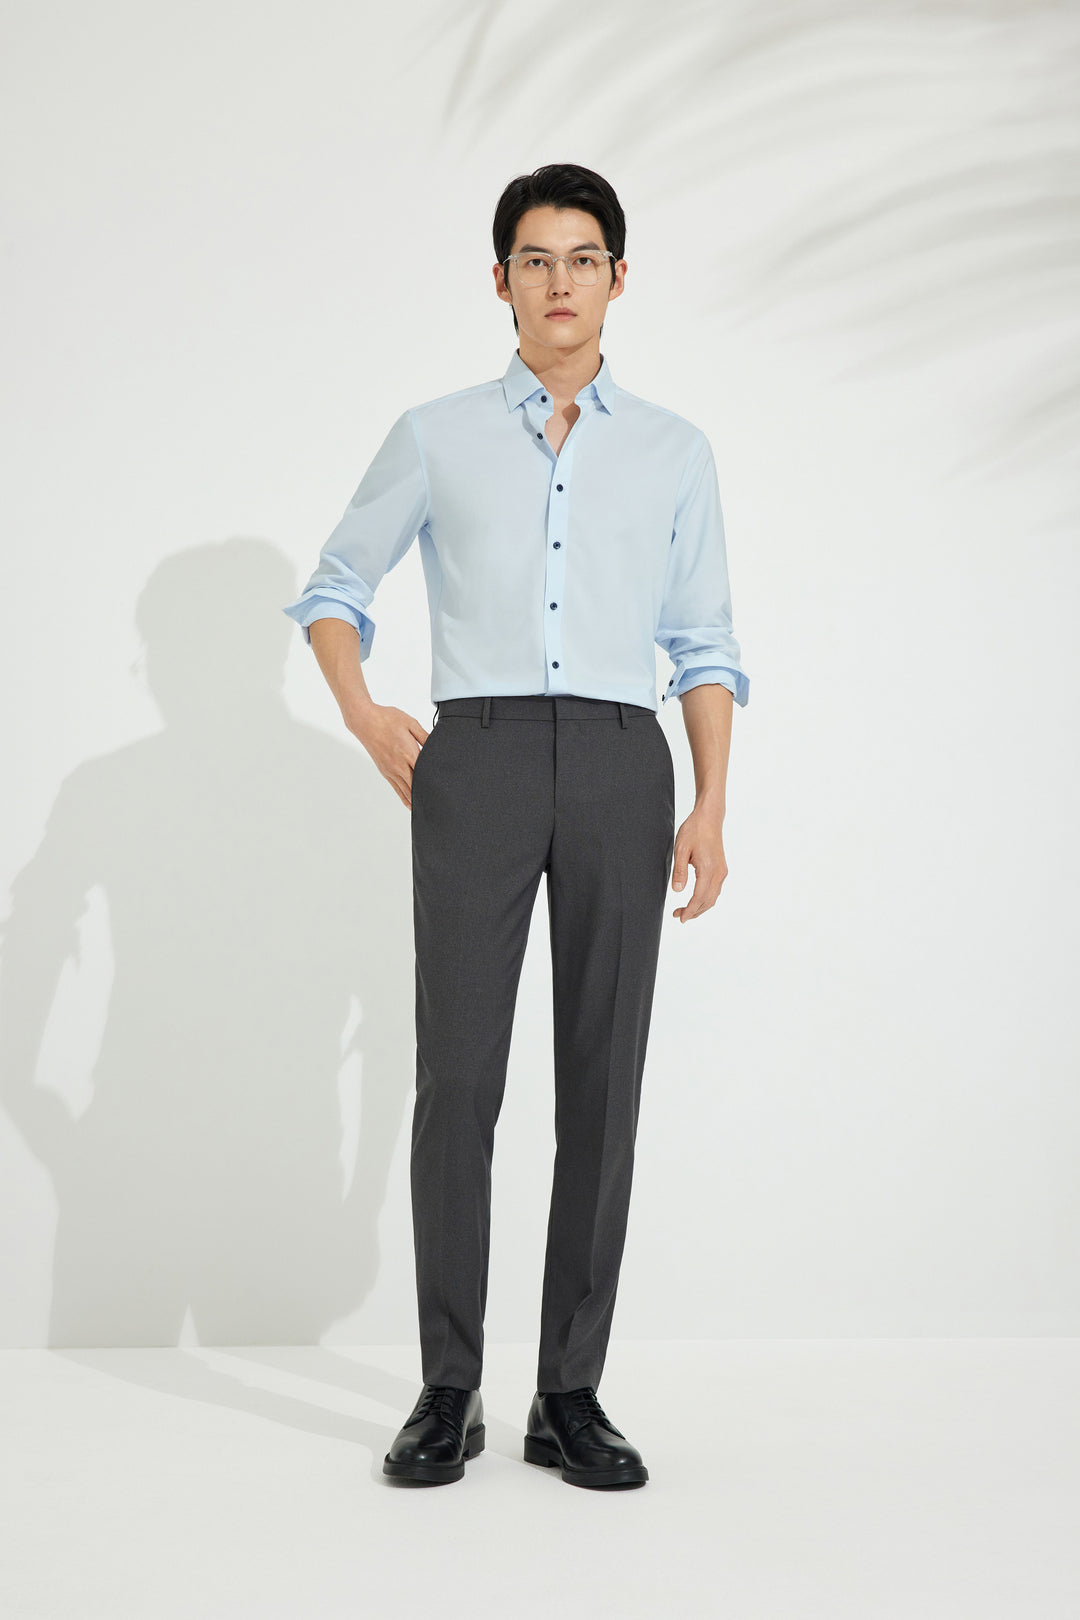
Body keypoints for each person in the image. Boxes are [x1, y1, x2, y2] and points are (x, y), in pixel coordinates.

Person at [282, 162, 749, 1489]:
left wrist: (711, 801)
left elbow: (704, 641)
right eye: (535, 259)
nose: (559, 282)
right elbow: (336, 586)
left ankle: (569, 1392)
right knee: (459, 1079)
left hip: (619, 757)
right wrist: (364, 711)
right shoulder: (435, 434)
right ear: (500, 281)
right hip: (474, 758)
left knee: (602, 1080)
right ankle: (448, 1388)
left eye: (582, 258)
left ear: (617, 278)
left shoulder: (674, 451)